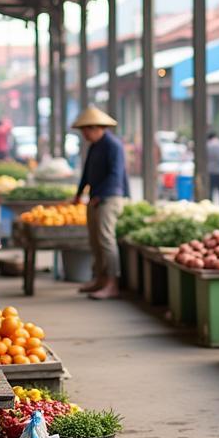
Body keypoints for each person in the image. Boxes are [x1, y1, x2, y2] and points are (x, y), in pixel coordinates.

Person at [73, 105, 129, 300]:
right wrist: (79, 194)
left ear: (96, 128)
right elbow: (87, 173)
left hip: (110, 198)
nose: (84, 135)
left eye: (86, 131)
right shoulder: (94, 147)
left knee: (106, 240)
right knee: (95, 241)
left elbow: (116, 175)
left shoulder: (114, 145)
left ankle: (112, 283)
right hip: (96, 197)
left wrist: (101, 195)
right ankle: (100, 279)